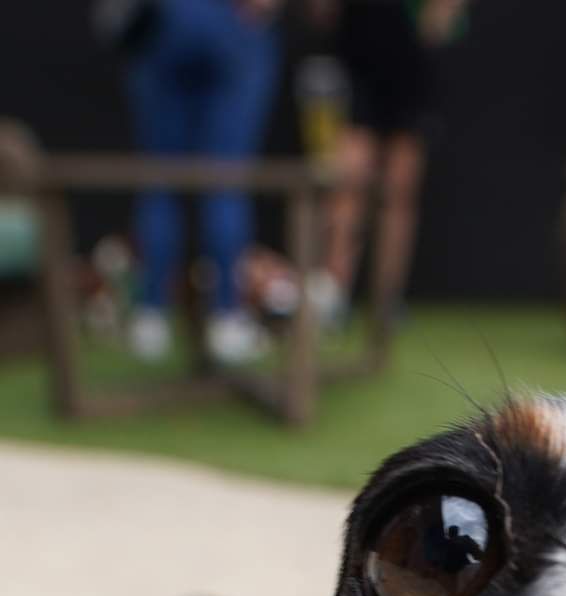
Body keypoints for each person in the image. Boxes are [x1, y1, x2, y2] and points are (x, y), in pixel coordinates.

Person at [308, 0, 469, 368]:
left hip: (411, 61)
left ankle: (386, 301)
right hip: (358, 49)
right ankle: (333, 296)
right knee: (346, 184)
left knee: (398, 192)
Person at [124, 0, 284, 365]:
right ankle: (226, 316)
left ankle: (152, 315)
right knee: (224, 177)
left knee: (161, 177)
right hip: (226, 23)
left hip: (167, 21)